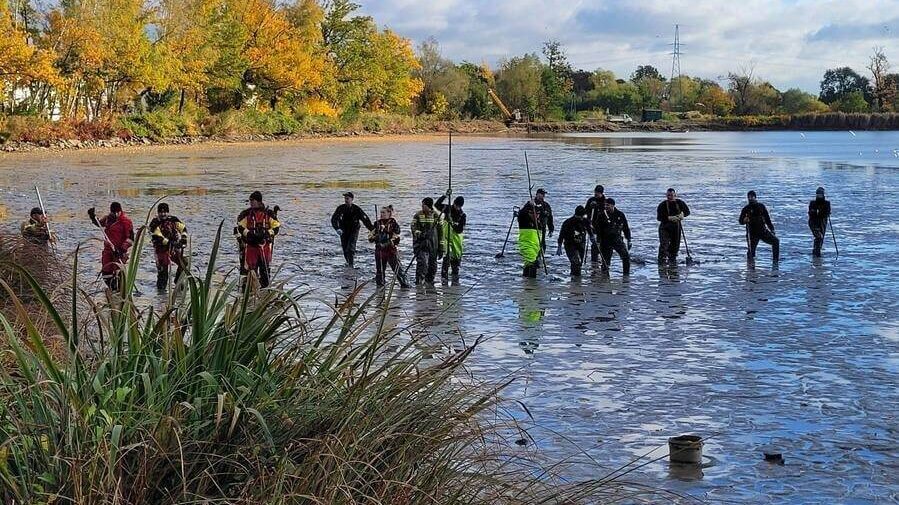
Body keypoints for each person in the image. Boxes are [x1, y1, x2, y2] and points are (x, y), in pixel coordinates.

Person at [236, 191, 281, 288]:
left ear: (259, 201)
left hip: (264, 247)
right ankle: (248, 290)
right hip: (251, 247)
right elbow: (240, 226)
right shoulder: (246, 214)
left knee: (265, 271)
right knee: (250, 272)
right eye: (250, 200)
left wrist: (266, 234)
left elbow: (276, 227)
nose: (250, 202)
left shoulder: (268, 214)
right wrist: (249, 234)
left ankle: (265, 290)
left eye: (252, 200)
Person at [88, 202, 134, 291]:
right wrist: (93, 217)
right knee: (106, 271)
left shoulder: (126, 221)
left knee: (118, 272)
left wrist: (122, 249)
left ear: (120, 211)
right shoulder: (108, 219)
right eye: (113, 212)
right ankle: (111, 289)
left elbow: (131, 239)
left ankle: (119, 292)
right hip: (108, 250)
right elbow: (99, 224)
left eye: (117, 212)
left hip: (119, 252)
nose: (115, 214)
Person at [149, 203, 189, 291]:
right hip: (161, 250)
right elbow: (158, 236)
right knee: (163, 274)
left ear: (168, 212)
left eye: (165, 212)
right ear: (158, 213)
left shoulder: (173, 220)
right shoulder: (155, 223)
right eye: (161, 212)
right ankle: (161, 297)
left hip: (173, 249)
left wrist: (183, 239)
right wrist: (172, 243)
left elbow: (183, 229)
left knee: (184, 262)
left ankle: (178, 280)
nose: (163, 214)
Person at [368, 205, 409, 288]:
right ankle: (380, 287)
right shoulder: (377, 224)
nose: (381, 214)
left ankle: (405, 285)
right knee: (380, 271)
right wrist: (376, 237)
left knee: (397, 269)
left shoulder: (394, 224)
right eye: (381, 213)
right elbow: (370, 237)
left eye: (383, 212)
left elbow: (396, 236)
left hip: (390, 250)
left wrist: (386, 233)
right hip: (379, 250)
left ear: (389, 213)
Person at [330, 192, 374, 268]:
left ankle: (351, 265)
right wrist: (337, 228)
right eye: (345, 198)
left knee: (350, 247)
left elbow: (365, 220)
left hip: (354, 230)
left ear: (352, 199)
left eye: (347, 198)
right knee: (345, 248)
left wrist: (372, 230)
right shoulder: (340, 208)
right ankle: (348, 262)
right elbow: (334, 219)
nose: (346, 200)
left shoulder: (357, 209)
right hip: (343, 230)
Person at [739, 190, 779, 262]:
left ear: (755, 197)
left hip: (763, 231)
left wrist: (772, 229)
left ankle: (775, 261)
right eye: (749, 197)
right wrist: (744, 220)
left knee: (776, 241)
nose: (750, 198)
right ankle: (750, 268)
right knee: (751, 252)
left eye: (752, 197)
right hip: (752, 234)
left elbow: (767, 219)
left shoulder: (761, 206)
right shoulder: (746, 209)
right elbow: (740, 221)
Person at [435, 190, 466, 280]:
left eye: (458, 206)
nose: (456, 207)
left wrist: (451, 222)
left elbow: (459, 230)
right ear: (454, 203)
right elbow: (437, 205)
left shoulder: (462, 215)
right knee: (446, 256)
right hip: (446, 238)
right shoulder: (448, 208)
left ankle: (455, 279)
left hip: (456, 239)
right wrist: (445, 196)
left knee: (455, 260)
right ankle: (444, 278)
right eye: (456, 205)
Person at [410, 197, 441, 285]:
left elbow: (441, 233)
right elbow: (413, 227)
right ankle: (419, 283)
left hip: (433, 245)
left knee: (433, 266)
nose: (422, 207)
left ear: (428, 206)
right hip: (421, 245)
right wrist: (420, 234)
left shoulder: (436, 216)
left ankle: (430, 285)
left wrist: (441, 248)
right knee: (423, 264)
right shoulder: (418, 215)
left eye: (423, 205)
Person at [656, 188, 691, 265]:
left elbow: (687, 212)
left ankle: (673, 260)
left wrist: (682, 215)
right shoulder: (662, 205)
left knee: (675, 245)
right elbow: (659, 218)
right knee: (664, 244)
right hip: (665, 227)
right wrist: (669, 218)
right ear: (666, 195)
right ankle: (661, 261)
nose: (670, 197)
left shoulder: (680, 203)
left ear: (675, 195)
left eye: (671, 195)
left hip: (676, 227)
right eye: (668, 195)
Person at [556, 205, 592, 276]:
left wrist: (592, 237)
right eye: (580, 216)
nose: (582, 218)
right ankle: (575, 280)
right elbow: (561, 235)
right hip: (570, 245)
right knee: (576, 262)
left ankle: (575, 277)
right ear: (576, 215)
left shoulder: (585, 221)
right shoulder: (568, 222)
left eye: (583, 216)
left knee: (579, 263)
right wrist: (559, 247)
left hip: (581, 244)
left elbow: (589, 230)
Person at [600, 198, 631, 275]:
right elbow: (598, 229)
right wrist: (598, 241)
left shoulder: (620, 214)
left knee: (626, 257)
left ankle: (626, 275)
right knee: (605, 262)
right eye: (605, 205)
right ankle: (604, 279)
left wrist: (629, 239)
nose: (606, 207)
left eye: (608, 205)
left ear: (613, 205)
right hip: (605, 241)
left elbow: (626, 228)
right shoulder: (601, 215)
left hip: (617, 240)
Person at [518, 199, 542, 278]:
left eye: (538, 214)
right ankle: (532, 282)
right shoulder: (524, 221)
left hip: (535, 247)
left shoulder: (538, 223)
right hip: (526, 245)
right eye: (533, 214)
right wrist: (528, 204)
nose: (536, 216)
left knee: (529, 263)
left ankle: (526, 279)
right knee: (532, 263)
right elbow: (521, 213)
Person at [585, 184, 607, 263]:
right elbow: (586, 210)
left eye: (597, 193)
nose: (595, 194)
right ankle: (594, 261)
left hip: (602, 226)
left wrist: (597, 206)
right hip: (592, 224)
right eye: (595, 192)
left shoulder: (605, 201)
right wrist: (590, 208)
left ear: (601, 193)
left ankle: (601, 258)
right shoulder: (591, 200)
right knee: (594, 244)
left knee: (601, 243)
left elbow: (605, 212)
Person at [808, 186, 831, 257]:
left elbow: (826, 213)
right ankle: (816, 253)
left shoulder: (827, 203)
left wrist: (821, 212)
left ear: (823, 194)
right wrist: (814, 212)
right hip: (813, 222)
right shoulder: (813, 203)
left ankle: (816, 251)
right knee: (819, 236)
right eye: (817, 194)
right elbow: (810, 214)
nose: (819, 195)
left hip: (823, 222)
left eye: (820, 194)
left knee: (821, 238)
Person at [534, 188, 554, 252]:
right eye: (541, 194)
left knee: (542, 245)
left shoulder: (546, 205)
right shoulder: (531, 204)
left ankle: (540, 258)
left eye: (543, 194)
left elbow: (550, 218)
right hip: (532, 229)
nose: (543, 196)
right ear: (537, 194)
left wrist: (551, 229)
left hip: (543, 229)